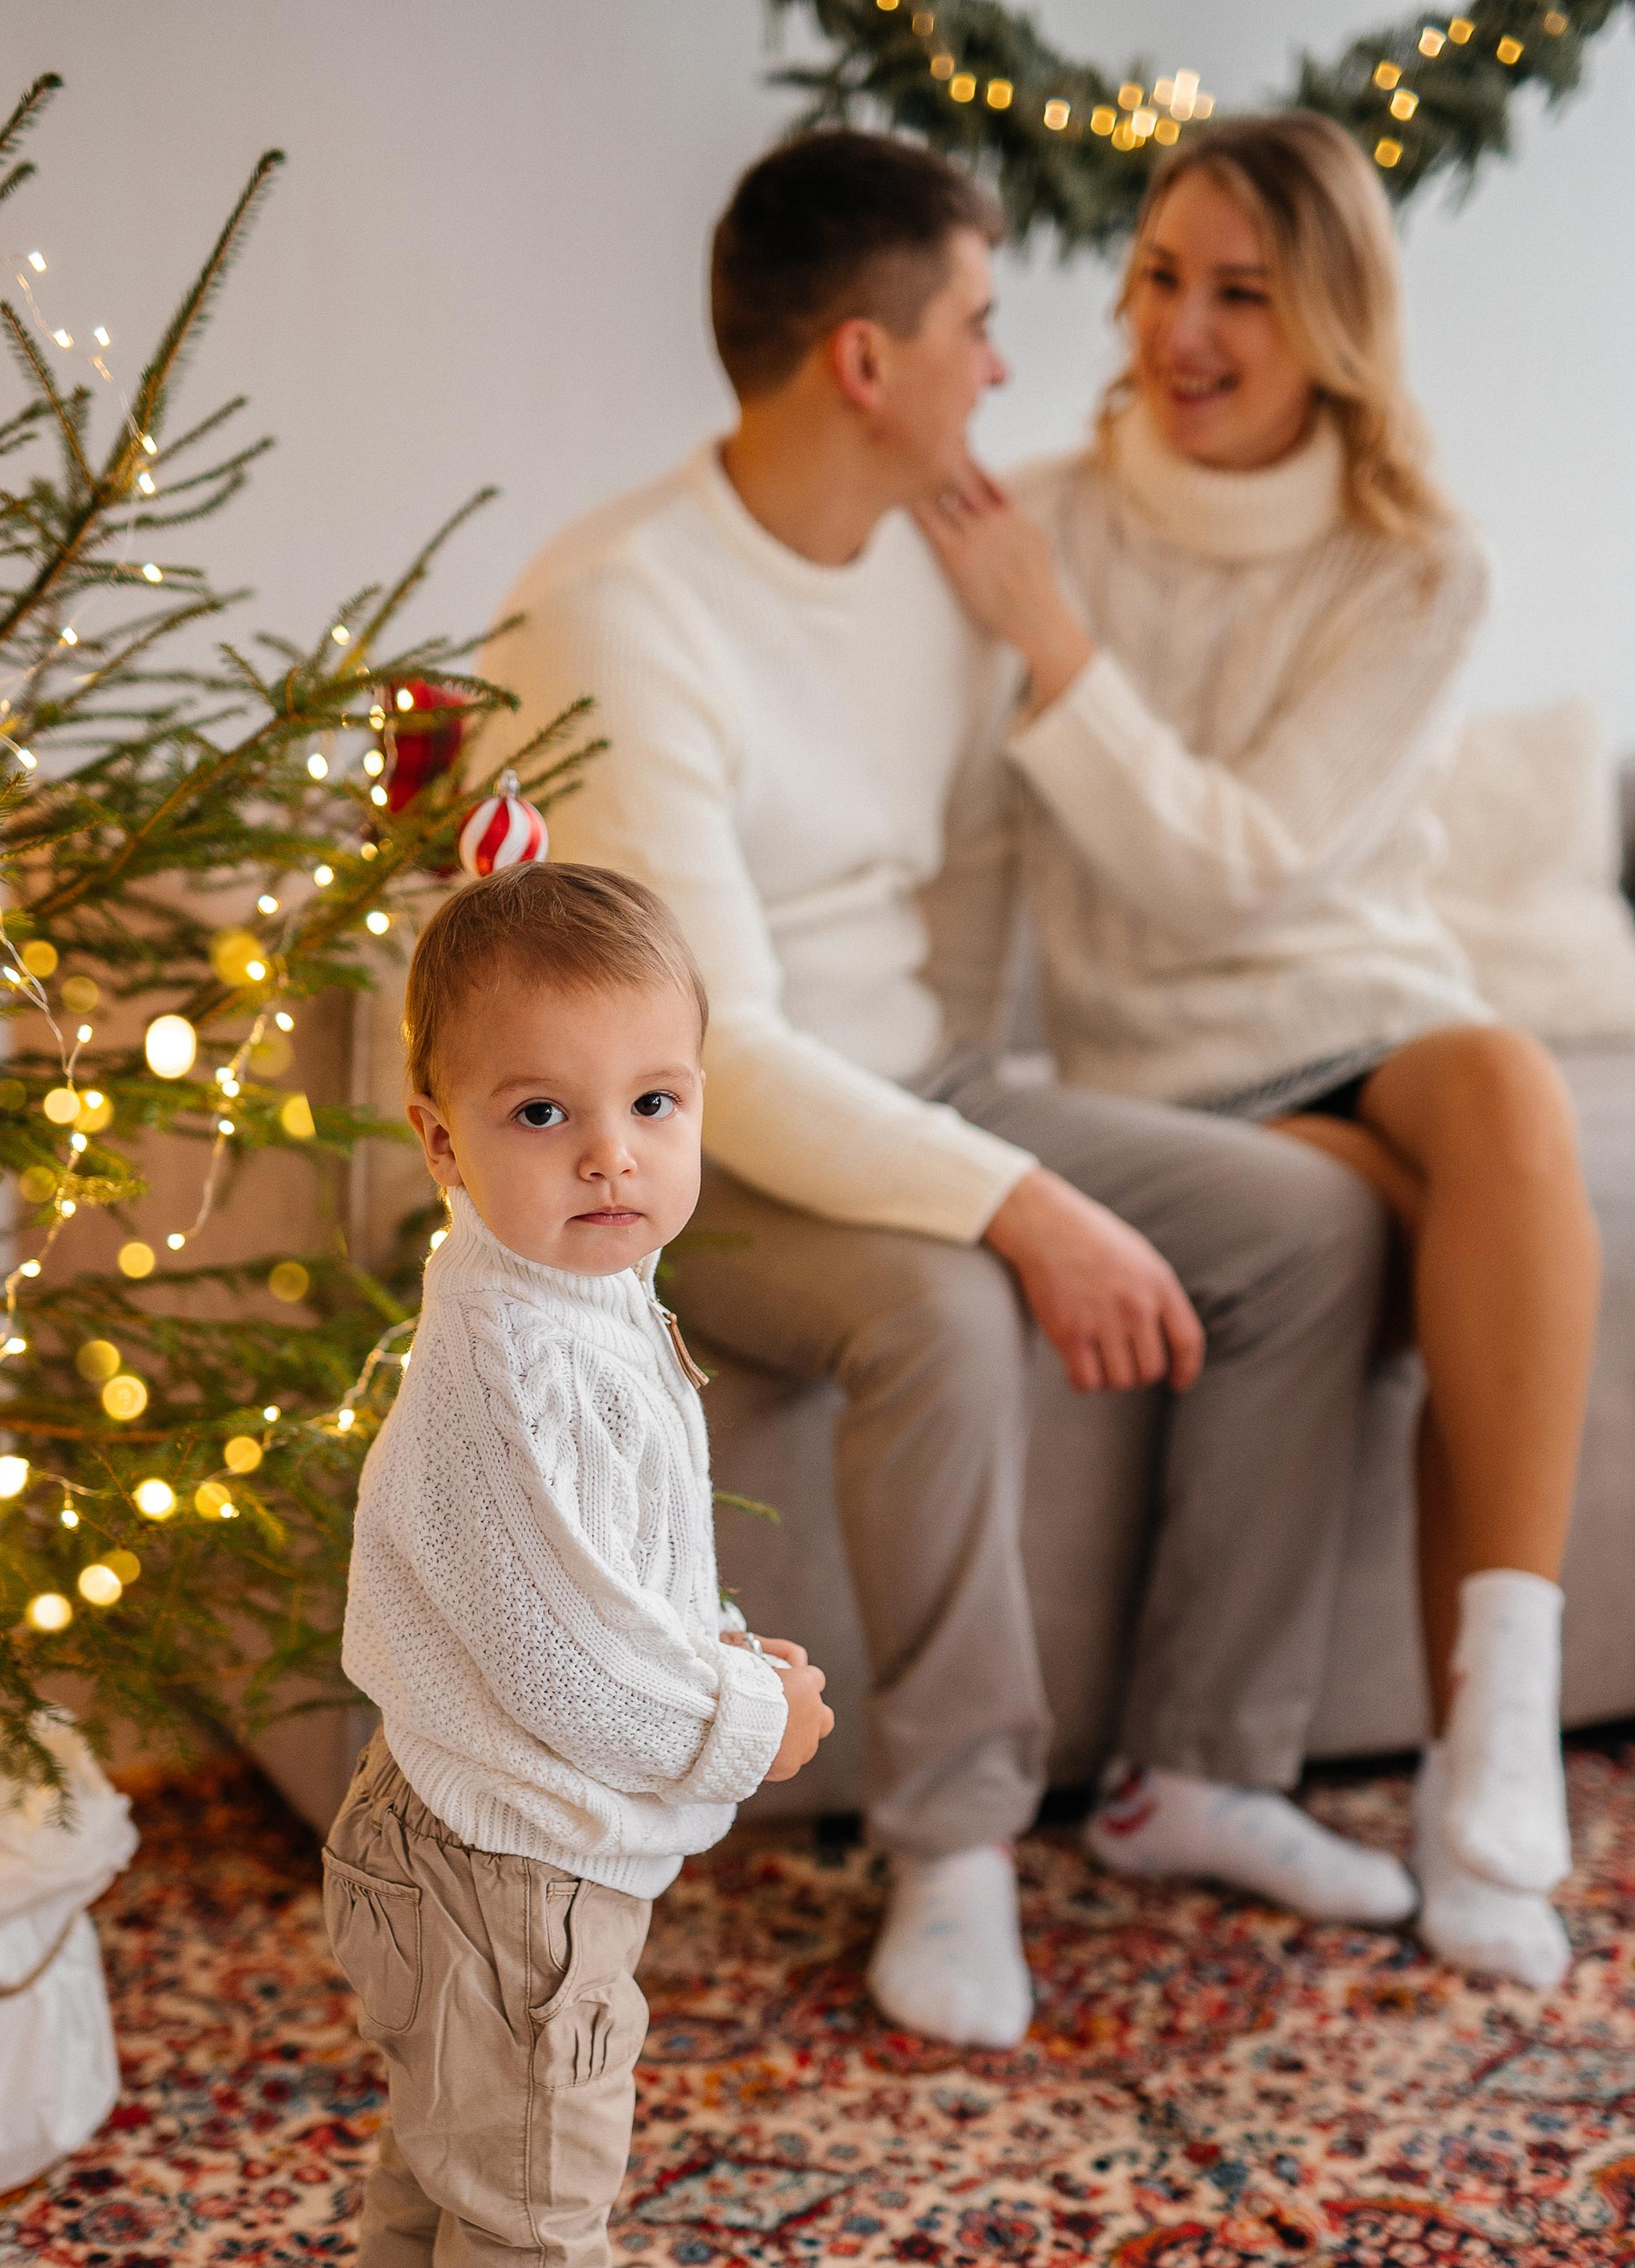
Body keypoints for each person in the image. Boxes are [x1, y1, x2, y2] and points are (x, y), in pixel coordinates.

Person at [487, 130, 1412, 2056]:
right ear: (863, 358)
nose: (1008, 363)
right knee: (944, 1302)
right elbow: (710, 1054)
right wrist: (1018, 1201)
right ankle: (957, 1837)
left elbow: (977, 888)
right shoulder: (618, 604)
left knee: (1314, 1223)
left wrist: (1024, 1136)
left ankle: (1197, 1770)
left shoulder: (945, 559)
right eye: (978, 323)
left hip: (924, 1073)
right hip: (680, 1149)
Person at [916, 112, 1600, 1991]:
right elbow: (982, 839)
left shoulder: (1414, 566)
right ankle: (1374, 1778)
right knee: (1412, 1250)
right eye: (1156, 278)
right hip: (1158, 1062)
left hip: (1355, 1005)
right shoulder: (1032, 514)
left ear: (1333, 324)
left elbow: (1254, 873)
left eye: (1243, 292)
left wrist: (1059, 653)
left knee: (1507, 1095)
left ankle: (1491, 1753)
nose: (1183, 330)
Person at [326, 862, 833, 2268]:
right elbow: (561, 1667)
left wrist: (696, 1644)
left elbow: (595, 1581)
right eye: (544, 1111)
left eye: (651, 1103)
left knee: (441, 2147)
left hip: (442, 1816)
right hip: (509, 1863)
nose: (610, 1152)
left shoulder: (560, 1285)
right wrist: (750, 1713)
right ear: (444, 1141)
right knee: (538, 2198)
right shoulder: (521, 1354)